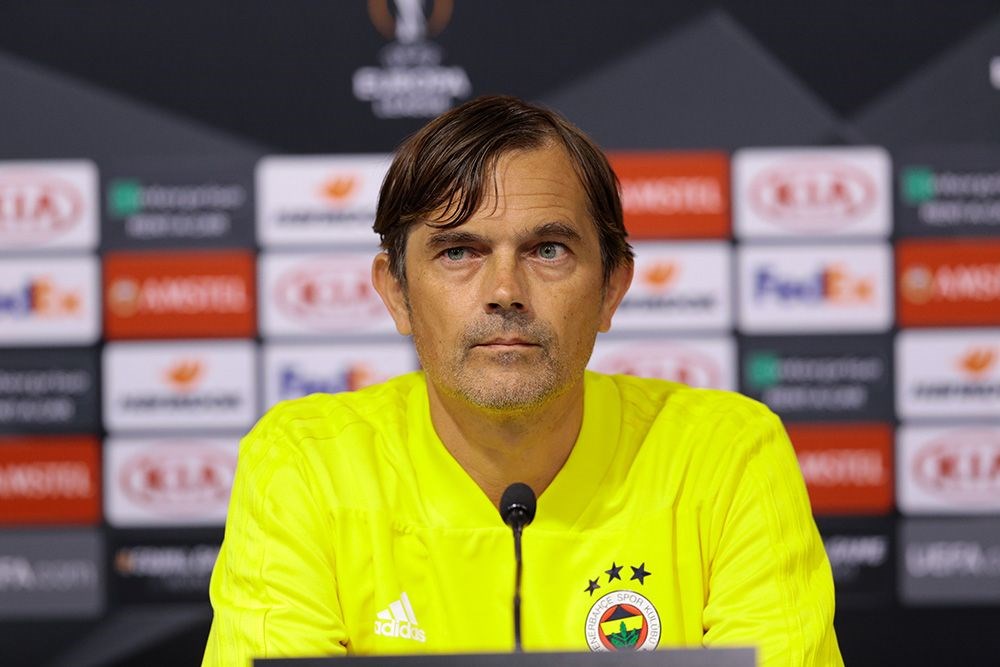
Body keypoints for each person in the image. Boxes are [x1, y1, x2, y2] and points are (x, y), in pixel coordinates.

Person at [202, 95, 843, 666]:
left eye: (547, 250)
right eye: (459, 252)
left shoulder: (727, 455)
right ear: (396, 292)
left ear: (611, 288)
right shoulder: (304, 464)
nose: (505, 291)